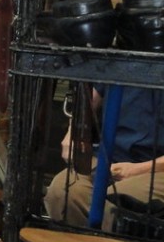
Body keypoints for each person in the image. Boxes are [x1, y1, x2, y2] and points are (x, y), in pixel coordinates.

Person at [44, 84, 164, 231]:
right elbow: (88, 103)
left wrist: (137, 170)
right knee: (62, 193)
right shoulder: (122, 62)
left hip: (158, 169)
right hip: (107, 158)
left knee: (115, 203)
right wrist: (73, 133)